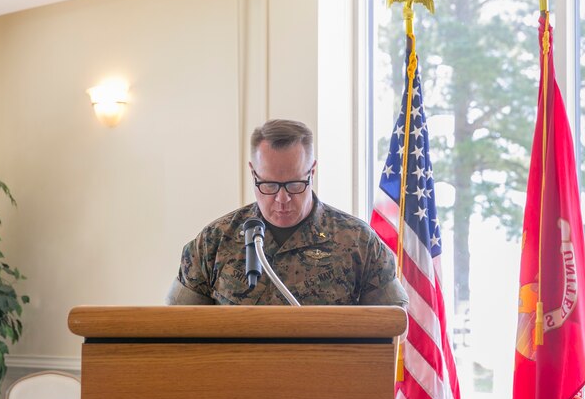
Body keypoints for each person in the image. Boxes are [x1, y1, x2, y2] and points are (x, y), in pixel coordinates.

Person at [166, 119, 407, 306]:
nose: (282, 199)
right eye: (269, 185)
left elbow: (394, 324)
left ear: (312, 172)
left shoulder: (358, 241)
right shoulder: (213, 242)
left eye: (294, 184)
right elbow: (177, 325)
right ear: (253, 173)